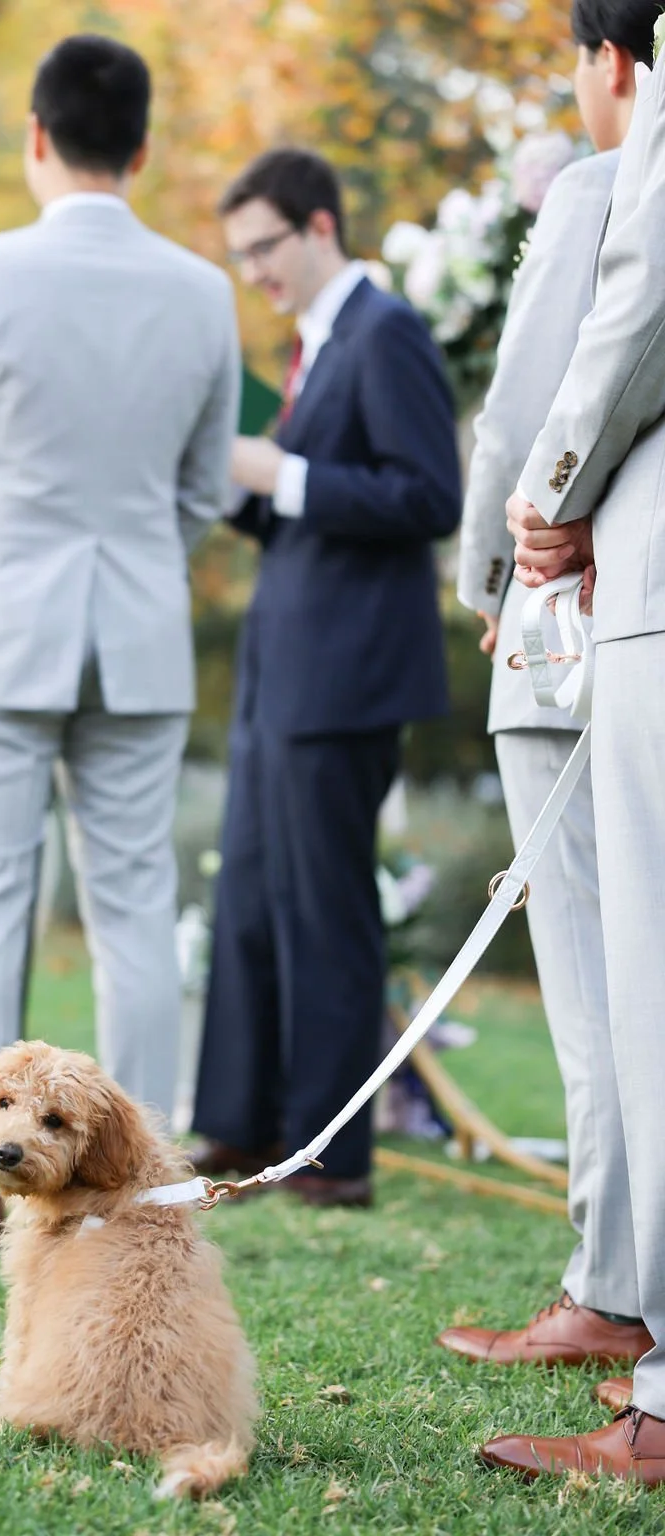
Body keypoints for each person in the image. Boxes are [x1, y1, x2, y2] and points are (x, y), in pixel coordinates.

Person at [0, 33, 239, 1243]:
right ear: (141, 150)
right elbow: (204, 486)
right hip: (139, 624)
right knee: (135, 905)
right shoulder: (204, 290)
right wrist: (137, 553)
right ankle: (138, 1187)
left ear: (34, 137)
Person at [446, 0, 657, 1376]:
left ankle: (609, 1283)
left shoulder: (605, 183)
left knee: (594, 986)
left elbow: (528, 400)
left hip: (582, 618)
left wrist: (487, 569)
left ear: (612, 60)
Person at [189, 149, 461, 1209]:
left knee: (325, 911)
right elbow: (296, 513)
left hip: (347, 675)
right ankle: (244, 1124)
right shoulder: (311, 346)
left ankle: (329, 1155)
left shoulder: (384, 330)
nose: (253, 269)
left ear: (316, 226)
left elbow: (426, 496)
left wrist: (282, 471)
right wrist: (235, 484)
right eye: (239, 255)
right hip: (281, 668)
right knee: (250, 898)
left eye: (262, 247)